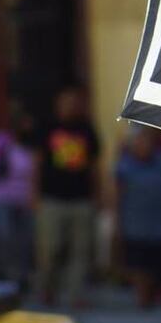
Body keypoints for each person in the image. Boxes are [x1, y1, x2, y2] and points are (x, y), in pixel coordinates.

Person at [32, 86, 100, 308]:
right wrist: (34, 195)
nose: (71, 105)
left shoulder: (87, 129)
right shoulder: (47, 128)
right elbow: (37, 163)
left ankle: (75, 295)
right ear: (58, 103)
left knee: (80, 251)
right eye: (66, 101)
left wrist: (98, 196)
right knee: (50, 249)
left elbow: (94, 166)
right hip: (52, 198)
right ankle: (47, 289)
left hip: (81, 198)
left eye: (74, 101)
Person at [115, 126, 161, 309]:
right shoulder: (125, 164)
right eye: (140, 141)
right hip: (135, 220)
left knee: (157, 259)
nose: (144, 145)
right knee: (139, 260)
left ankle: (154, 292)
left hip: (160, 220)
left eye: (147, 141)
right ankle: (142, 297)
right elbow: (118, 193)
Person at [0, 107, 36, 291]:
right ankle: (5, 275)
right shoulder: (1, 141)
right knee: (5, 237)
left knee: (23, 240)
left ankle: (20, 277)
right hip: (3, 198)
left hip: (25, 199)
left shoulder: (32, 145)